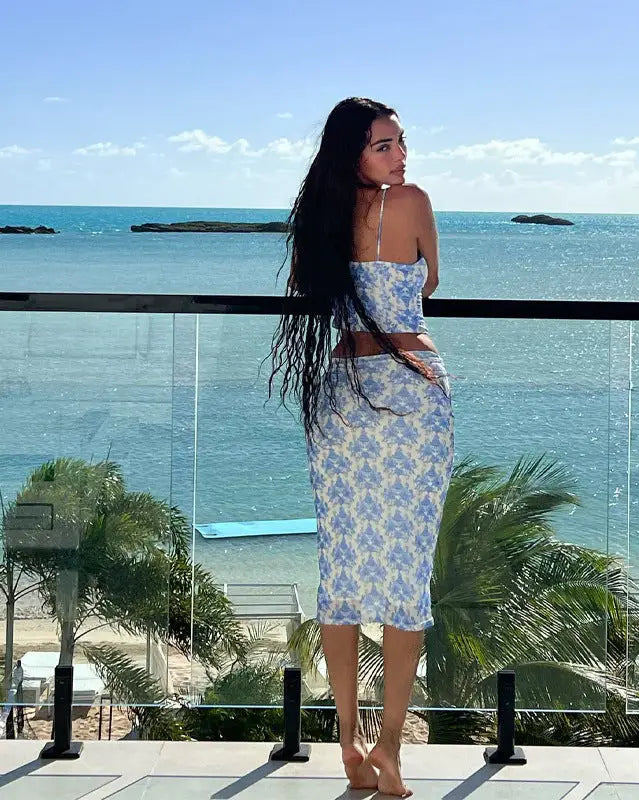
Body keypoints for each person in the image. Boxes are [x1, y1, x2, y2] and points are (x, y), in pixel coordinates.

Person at [267, 97, 455, 797]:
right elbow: (430, 280)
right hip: (410, 389)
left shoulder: (319, 220)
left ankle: (347, 739)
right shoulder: (413, 203)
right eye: (384, 146)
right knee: (406, 574)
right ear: (355, 153)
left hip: (343, 392)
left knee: (342, 567)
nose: (401, 158)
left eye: (402, 144)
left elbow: (310, 289)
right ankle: (389, 746)